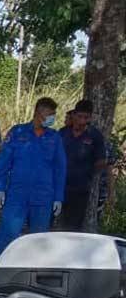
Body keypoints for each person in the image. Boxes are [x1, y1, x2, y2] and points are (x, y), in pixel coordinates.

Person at [0, 97, 66, 266]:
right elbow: (3, 163)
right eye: (49, 114)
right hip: (17, 194)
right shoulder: (17, 132)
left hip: (43, 196)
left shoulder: (54, 137)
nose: (52, 118)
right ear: (38, 113)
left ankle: (33, 274)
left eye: (54, 114)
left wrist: (58, 197)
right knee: (7, 234)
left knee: (38, 239)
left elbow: (60, 169)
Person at [59, 99, 107, 231]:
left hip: (80, 190)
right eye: (79, 116)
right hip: (58, 186)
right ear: (73, 115)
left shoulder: (95, 136)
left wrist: (88, 172)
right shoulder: (62, 133)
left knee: (72, 227)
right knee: (54, 223)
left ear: (90, 118)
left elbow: (101, 161)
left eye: (86, 117)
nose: (81, 120)